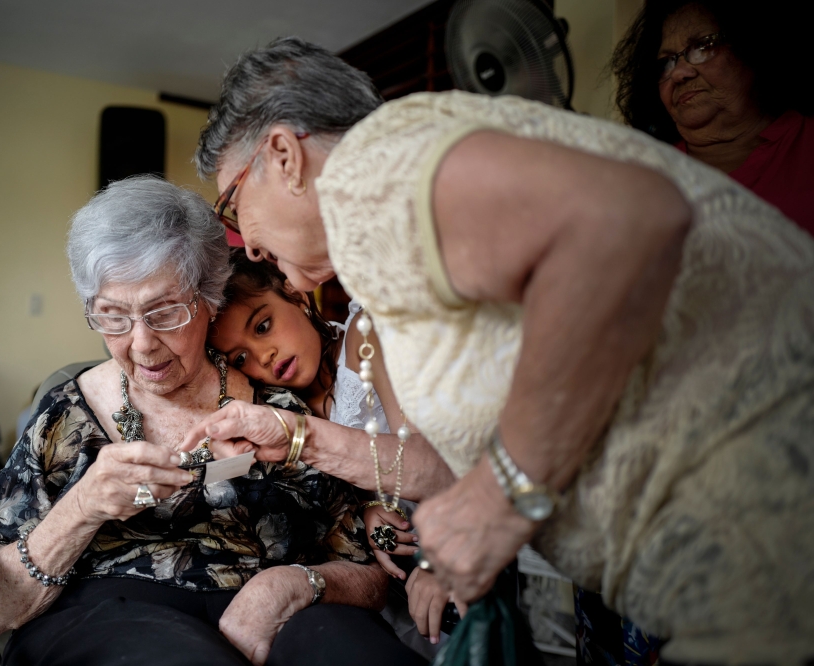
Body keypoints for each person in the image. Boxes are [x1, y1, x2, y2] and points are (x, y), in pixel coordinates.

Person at [186, 37, 814, 664]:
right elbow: (463, 446)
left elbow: (631, 221)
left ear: (284, 155)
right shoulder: (386, 243)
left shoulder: (382, 164)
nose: (250, 245)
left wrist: (500, 495)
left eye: (232, 203)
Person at [0, 176, 425, 666]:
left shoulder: (283, 412)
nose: (141, 344)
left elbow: (368, 572)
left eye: (164, 313)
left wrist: (295, 584)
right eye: (113, 317)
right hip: (116, 616)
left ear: (209, 300)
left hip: (285, 612)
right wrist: (83, 506)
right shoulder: (64, 419)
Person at [207, 250, 455, 652]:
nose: (263, 356)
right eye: (241, 358)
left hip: (463, 535)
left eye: (264, 326)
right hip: (380, 583)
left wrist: (442, 564)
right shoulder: (277, 411)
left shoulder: (365, 338)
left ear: (296, 295)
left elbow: (434, 463)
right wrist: (368, 508)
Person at [612, 0, 814, 234]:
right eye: (665, 63)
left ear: (751, 45)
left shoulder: (806, 141)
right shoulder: (641, 171)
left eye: (703, 47)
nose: (678, 73)